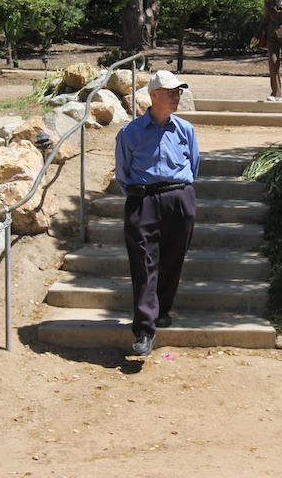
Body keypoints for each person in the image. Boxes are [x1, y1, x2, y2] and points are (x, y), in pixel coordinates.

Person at [114, 70, 200, 356]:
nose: (177, 97)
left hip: (179, 198)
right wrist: (141, 196)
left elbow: (194, 165)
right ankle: (144, 330)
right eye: (171, 92)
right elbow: (123, 172)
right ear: (153, 95)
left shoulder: (185, 129)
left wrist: (181, 195)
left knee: (173, 258)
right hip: (143, 201)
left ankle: (161, 309)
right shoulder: (130, 132)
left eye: (178, 92)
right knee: (143, 264)